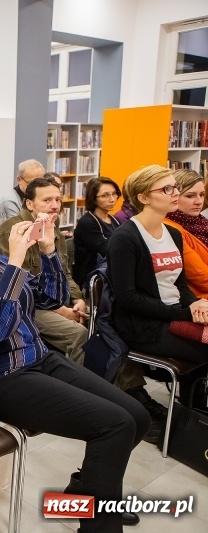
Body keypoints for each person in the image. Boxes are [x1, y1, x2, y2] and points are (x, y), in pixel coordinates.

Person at [0, 193, 149, 533]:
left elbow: (53, 298)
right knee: (114, 424)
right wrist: (17, 263)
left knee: (136, 416)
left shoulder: (0, 264)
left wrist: (48, 253)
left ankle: (88, 491)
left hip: (38, 359)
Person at [108, 165, 208, 407]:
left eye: (175, 187)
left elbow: (180, 284)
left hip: (174, 316)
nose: (175, 193)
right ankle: (191, 421)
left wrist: (195, 303)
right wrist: (184, 313)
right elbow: (127, 298)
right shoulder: (125, 238)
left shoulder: (172, 234)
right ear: (143, 197)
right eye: (167, 188)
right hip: (144, 326)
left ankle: (192, 416)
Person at [0, 177, 89, 366]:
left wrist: (78, 300)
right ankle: (80, 389)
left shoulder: (53, 231)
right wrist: (61, 310)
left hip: (52, 301)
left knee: (101, 323)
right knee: (79, 334)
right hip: (25, 306)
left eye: (57, 200)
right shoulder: (13, 230)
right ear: (29, 203)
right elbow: (18, 285)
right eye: (47, 200)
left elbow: (64, 272)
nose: (55, 206)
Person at [164, 169, 208, 298]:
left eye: (202, 194)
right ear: (173, 196)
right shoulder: (170, 228)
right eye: (190, 196)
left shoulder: (201, 222)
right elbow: (199, 276)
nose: (199, 201)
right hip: (196, 298)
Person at [72, 177, 121, 288]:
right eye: (105, 195)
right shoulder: (88, 222)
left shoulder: (114, 219)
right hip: (93, 277)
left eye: (114, 194)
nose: (112, 199)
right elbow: (106, 250)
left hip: (111, 271)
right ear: (93, 198)